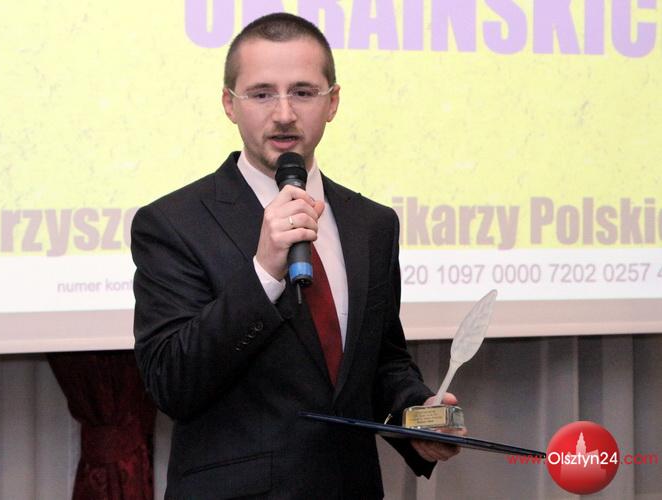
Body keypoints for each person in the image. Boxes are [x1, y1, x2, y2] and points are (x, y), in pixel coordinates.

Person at [131, 12, 462, 499]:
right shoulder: (173, 223)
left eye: (303, 92)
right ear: (230, 104)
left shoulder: (372, 224)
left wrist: (419, 417)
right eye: (262, 93)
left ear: (333, 102)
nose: (284, 113)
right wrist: (264, 272)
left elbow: (381, 364)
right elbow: (171, 384)